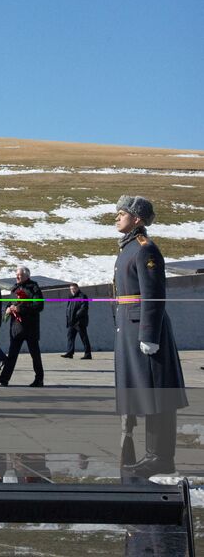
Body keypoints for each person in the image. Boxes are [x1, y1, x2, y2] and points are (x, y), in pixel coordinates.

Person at [113, 195, 188, 477]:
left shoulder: (145, 249)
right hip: (130, 327)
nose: (117, 217)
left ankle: (160, 457)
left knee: (158, 394)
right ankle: (151, 454)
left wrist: (149, 334)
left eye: (122, 213)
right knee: (144, 394)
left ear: (137, 219)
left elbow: (153, 294)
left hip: (144, 331)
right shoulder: (129, 248)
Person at [0, 267, 44, 387]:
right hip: (16, 328)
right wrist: (7, 310)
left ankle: (39, 379)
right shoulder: (15, 288)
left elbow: (39, 306)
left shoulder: (33, 287)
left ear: (27, 276)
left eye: (20, 275)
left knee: (35, 355)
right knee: (12, 355)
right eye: (16, 274)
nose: (17, 276)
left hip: (30, 328)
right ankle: (4, 378)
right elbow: (10, 303)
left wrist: (20, 309)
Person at [61, 281, 92, 359]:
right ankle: (70, 353)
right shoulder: (70, 297)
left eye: (74, 289)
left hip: (79, 321)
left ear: (77, 288)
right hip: (71, 321)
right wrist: (68, 316)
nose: (72, 290)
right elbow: (69, 308)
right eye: (71, 289)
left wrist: (77, 315)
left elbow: (84, 308)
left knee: (84, 337)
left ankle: (88, 354)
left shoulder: (82, 296)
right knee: (70, 337)